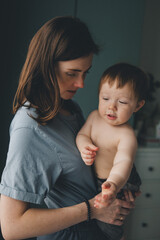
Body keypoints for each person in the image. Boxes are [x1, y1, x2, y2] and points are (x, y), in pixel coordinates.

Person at [0, 17, 138, 240]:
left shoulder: (70, 109)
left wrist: (119, 193)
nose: (81, 84)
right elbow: (12, 227)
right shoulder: (30, 126)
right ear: (46, 66)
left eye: (86, 73)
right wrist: (93, 209)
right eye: (72, 73)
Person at [76, 62, 148, 240]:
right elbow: (82, 135)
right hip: (97, 180)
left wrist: (113, 185)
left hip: (121, 180)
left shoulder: (127, 134)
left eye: (122, 102)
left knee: (109, 224)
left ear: (137, 106)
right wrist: (83, 145)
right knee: (91, 219)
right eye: (105, 98)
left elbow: (123, 162)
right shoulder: (94, 117)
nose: (111, 107)